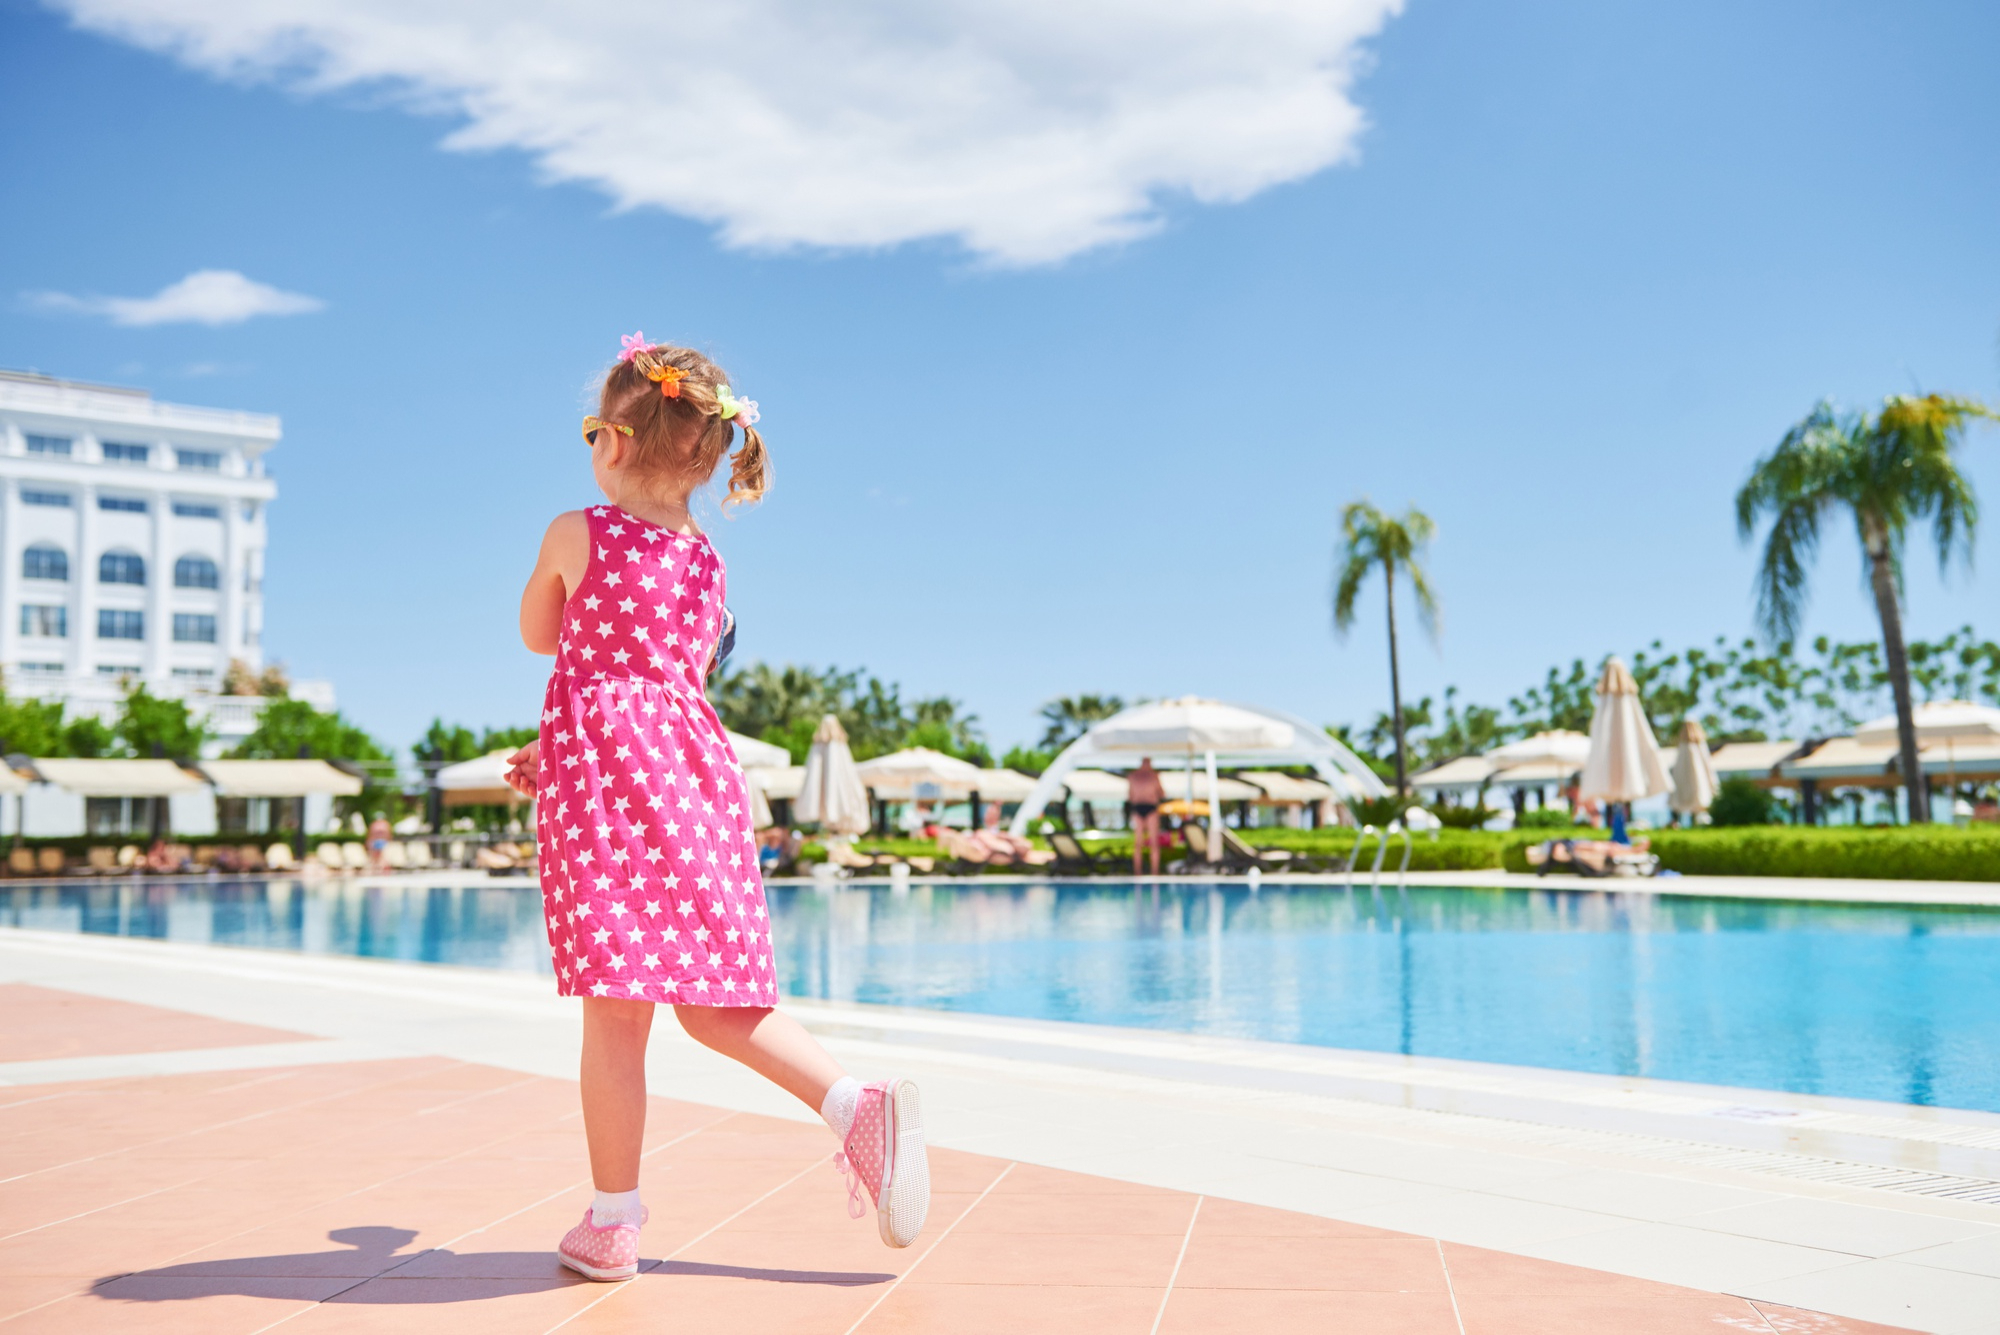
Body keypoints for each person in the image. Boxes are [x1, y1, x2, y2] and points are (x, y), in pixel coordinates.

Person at [505, 334, 929, 1282]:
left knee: (616, 1016)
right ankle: (853, 1104)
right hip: (693, 775)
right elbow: (660, 684)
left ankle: (613, 1221)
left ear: (614, 441)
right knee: (716, 1001)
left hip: (613, 788)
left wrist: (570, 736)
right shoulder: (706, 563)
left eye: (590, 430)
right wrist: (560, 742)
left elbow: (542, 635)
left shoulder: (576, 531)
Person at [1128, 757, 1164, 876]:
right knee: (1146, 844)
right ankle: (1145, 872)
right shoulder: (1153, 776)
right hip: (1147, 807)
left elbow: (1130, 796)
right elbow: (1161, 793)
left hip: (1141, 807)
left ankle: (1150, 872)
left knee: (1144, 843)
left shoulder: (1134, 776)